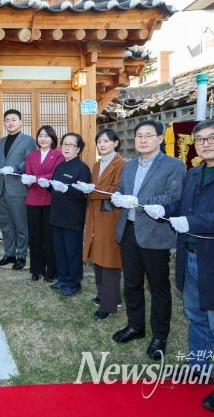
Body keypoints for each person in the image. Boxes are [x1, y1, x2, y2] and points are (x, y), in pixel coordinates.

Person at [144, 119, 214, 412]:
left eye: (213, 138)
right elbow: (183, 208)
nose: (206, 144)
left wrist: (192, 222)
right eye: (200, 139)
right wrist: (163, 209)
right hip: (190, 255)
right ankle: (199, 367)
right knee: (195, 316)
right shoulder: (194, 173)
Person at [110, 120, 185, 360]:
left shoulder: (173, 165)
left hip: (155, 233)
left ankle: (160, 336)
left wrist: (139, 201)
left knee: (158, 287)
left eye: (148, 135)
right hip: (128, 230)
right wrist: (118, 196)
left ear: (160, 138)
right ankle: (135, 326)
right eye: (139, 135)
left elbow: (174, 197)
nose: (143, 140)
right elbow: (122, 189)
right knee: (132, 282)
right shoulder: (130, 165)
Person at [76, 128, 126, 319]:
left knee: (110, 259)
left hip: (111, 215)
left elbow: (116, 189)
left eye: (106, 141)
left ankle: (109, 305)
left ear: (115, 143)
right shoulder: (97, 164)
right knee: (97, 256)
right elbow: (96, 189)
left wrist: (92, 190)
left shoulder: (122, 164)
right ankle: (104, 294)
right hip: (95, 214)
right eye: (99, 141)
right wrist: (88, 190)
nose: (102, 144)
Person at [0, 109, 37, 270]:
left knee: (20, 224)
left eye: (14, 119)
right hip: (1, 189)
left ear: (20, 122)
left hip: (18, 189)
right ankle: (9, 254)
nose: (10, 123)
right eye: (7, 120)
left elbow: (29, 161)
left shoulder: (28, 140)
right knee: (5, 224)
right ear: (4, 123)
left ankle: (22, 255)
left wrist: (15, 168)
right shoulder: (0, 142)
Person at [46, 133, 91, 296]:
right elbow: (55, 189)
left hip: (72, 217)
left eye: (71, 145)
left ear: (78, 149)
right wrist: (47, 185)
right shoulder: (60, 166)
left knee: (72, 251)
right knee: (60, 250)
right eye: (65, 144)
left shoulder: (82, 168)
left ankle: (74, 283)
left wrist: (67, 189)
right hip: (57, 215)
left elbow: (82, 194)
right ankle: (63, 278)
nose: (67, 147)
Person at [20, 125, 64, 281]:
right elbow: (28, 174)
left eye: (46, 136)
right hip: (33, 199)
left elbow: (55, 174)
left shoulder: (58, 155)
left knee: (49, 237)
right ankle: (36, 269)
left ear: (52, 139)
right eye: (40, 136)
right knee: (35, 236)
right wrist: (28, 179)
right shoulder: (32, 155)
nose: (43, 139)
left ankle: (51, 270)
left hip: (50, 199)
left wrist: (36, 178)